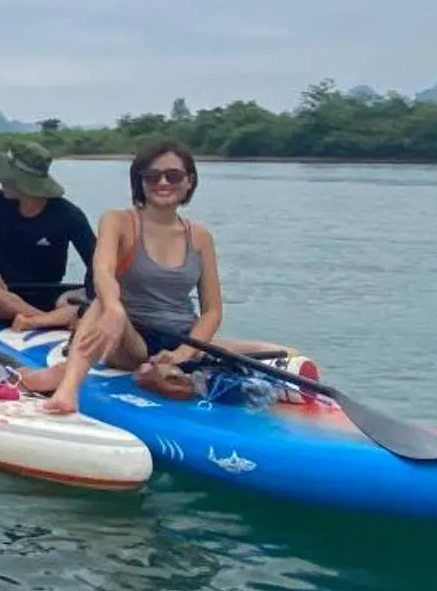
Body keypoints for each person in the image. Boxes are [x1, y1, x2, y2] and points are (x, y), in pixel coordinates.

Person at [24, 141, 277, 413]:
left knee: (276, 352)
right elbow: (103, 271)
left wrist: (183, 353)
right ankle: (66, 392)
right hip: (130, 337)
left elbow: (212, 312)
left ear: (189, 181)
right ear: (140, 182)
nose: (163, 182)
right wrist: (114, 308)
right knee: (100, 304)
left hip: (184, 338)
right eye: (153, 176)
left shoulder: (201, 237)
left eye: (174, 175)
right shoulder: (118, 221)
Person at [0, 141, 98, 328]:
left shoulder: (68, 215)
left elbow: (97, 262)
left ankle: (40, 320)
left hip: (50, 294)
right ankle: (48, 321)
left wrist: (91, 293)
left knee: (80, 299)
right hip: (4, 293)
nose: (2, 182)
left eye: (9, 179)